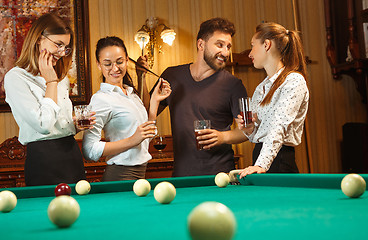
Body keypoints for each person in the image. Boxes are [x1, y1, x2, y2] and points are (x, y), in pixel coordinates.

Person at [4, 13, 91, 186]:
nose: (61, 52)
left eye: (65, 47)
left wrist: (74, 126)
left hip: (72, 154)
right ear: (38, 39)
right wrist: (51, 81)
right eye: (58, 45)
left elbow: (57, 125)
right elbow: (43, 125)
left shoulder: (61, 78)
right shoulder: (15, 78)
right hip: (43, 160)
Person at [154, 18, 248, 177]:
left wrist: (222, 137)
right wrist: (140, 77)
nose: (225, 52)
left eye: (228, 47)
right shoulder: (171, 76)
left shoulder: (234, 85)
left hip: (221, 177)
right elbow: (145, 112)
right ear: (201, 44)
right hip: (182, 176)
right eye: (219, 45)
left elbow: (248, 131)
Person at [82, 36, 171, 181]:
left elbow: (146, 137)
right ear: (99, 65)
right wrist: (132, 140)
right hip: (120, 175)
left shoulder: (131, 94)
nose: (115, 68)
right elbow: (89, 150)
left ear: (127, 60)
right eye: (107, 64)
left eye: (119, 62)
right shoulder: (101, 99)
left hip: (141, 173)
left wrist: (155, 101)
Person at [237, 22, 309, 178]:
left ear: (267, 45)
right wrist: (249, 129)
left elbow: (278, 127)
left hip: (279, 159)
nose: (249, 54)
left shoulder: (294, 80)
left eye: (252, 45)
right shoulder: (260, 88)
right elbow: (260, 132)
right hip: (259, 155)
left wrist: (261, 164)